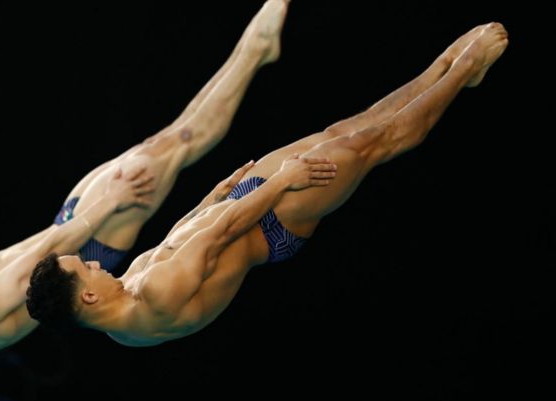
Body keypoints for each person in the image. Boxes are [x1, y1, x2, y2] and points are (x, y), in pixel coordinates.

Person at [0, 0, 295, 358]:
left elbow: (32, 251)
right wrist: (107, 205)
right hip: (84, 237)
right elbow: (36, 259)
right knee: (177, 145)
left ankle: (253, 52)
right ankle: (254, 51)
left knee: (169, 142)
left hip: (72, 231)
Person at [26, 22, 509, 347]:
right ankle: (464, 69)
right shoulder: (154, 300)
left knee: (344, 130)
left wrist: (211, 196)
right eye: (84, 266)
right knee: (369, 145)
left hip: (245, 204)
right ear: (86, 297)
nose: (93, 260)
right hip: (270, 222)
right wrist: (282, 182)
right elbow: (221, 235)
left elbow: (180, 238)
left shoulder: (121, 298)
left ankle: (440, 70)